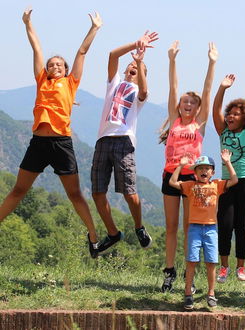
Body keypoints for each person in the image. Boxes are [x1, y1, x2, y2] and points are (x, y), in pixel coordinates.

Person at [0, 8, 102, 258]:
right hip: (38, 143)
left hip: (61, 143)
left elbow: (82, 52)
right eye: (51, 64)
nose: (54, 66)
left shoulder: (71, 82)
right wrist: (28, 23)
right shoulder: (41, 80)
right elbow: (37, 49)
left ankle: (93, 236)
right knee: (18, 190)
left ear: (66, 70)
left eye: (59, 64)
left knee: (75, 194)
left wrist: (94, 28)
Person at [91, 31, 159, 253]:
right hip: (103, 140)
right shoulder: (115, 84)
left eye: (138, 69)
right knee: (97, 192)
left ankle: (139, 227)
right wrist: (136, 44)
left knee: (129, 192)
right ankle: (112, 233)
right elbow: (112, 55)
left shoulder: (140, 91)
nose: (132, 68)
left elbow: (146, 90)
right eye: (130, 66)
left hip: (124, 142)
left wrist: (140, 63)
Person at [159, 41, 218, 293]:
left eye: (192, 103)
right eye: (185, 101)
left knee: (188, 228)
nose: (188, 104)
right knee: (171, 227)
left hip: (192, 181)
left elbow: (207, 91)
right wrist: (172, 60)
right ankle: (169, 271)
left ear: (197, 109)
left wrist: (212, 62)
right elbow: (173, 87)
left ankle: (188, 273)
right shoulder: (173, 122)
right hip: (170, 176)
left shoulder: (199, 125)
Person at [212, 66, 245, 283]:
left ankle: (240, 267)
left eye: (236, 114)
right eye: (229, 113)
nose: (231, 116)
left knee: (242, 225)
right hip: (227, 183)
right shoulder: (223, 131)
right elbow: (214, 111)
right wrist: (222, 89)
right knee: (224, 224)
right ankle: (224, 267)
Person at [169, 150, 238, 310]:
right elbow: (173, 182)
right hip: (194, 228)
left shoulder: (217, 185)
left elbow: (234, 179)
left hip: (211, 229)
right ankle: (188, 294)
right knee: (191, 261)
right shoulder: (190, 186)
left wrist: (227, 162)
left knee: (211, 263)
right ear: (194, 173)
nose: (204, 171)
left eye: (207, 168)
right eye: (200, 168)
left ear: (212, 172)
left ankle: (211, 294)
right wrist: (180, 166)